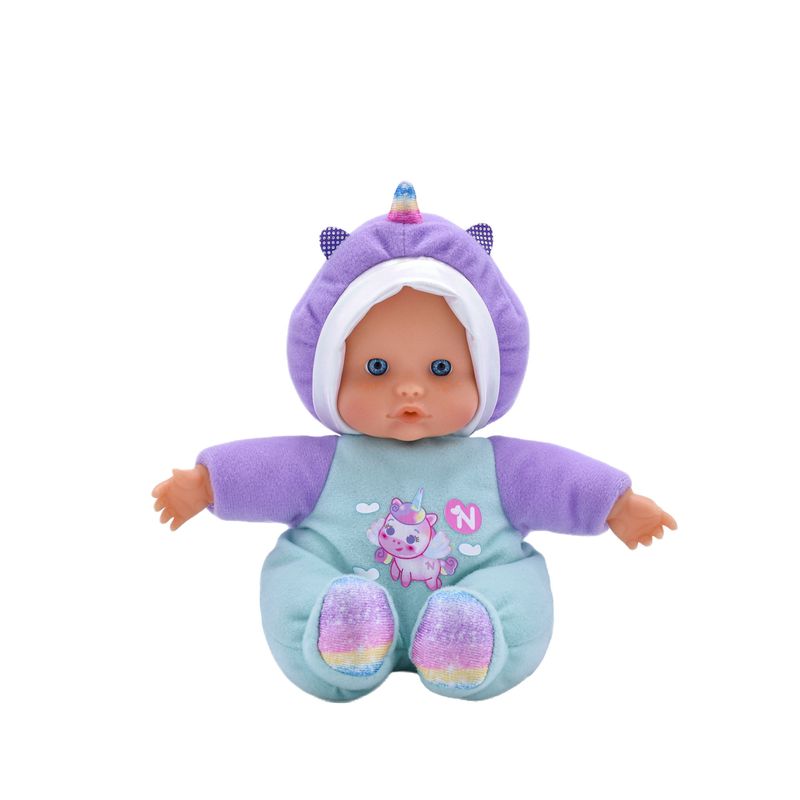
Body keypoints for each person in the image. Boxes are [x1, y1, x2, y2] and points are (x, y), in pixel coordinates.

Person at [152, 183, 676, 701]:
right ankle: (342, 627)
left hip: (469, 584)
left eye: (441, 368)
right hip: (340, 581)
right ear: (328, 370)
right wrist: (208, 483)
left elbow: (558, 479)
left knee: (515, 588)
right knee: (298, 579)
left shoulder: (498, 465)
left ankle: (469, 634)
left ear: (488, 371)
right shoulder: (321, 464)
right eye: (377, 368)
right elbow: (263, 469)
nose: (409, 389)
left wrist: (613, 503)